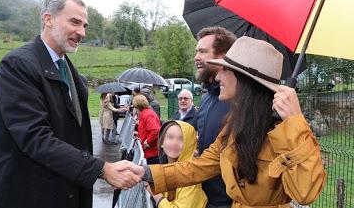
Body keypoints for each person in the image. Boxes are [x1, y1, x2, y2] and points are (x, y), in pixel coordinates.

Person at [0, 0, 141, 208]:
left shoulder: (73, 74)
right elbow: (35, 137)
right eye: (74, 22)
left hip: (63, 192)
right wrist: (102, 169)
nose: (82, 32)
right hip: (24, 194)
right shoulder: (18, 66)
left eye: (84, 25)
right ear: (48, 19)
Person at [131, 36, 326, 208]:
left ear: (244, 80)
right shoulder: (235, 125)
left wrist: (294, 121)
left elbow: (305, 192)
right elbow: (200, 166)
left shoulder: (283, 129)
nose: (217, 76)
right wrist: (147, 172)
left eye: (224, 70)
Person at [193, 26, 237, 207]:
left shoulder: (237, 101)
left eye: (203, 52)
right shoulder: (206, 98)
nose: (196, 57)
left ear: (222, 57)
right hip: (203, 198)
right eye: (197, 51)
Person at [146, 120, 207, 208]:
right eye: (170, 137)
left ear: (189, 145)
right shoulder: (163, 170)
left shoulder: (191, 177)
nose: (174, 143)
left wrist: (157, 197)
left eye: (181, 139)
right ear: (162, 143)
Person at [132, 95, 161, 164]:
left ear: (137, 106)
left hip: (152, 153)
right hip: (149, 153)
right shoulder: (144, 114)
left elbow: (155, 130)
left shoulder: (148, 114)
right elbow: (146, 129)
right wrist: (138, 134)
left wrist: (148, 141)